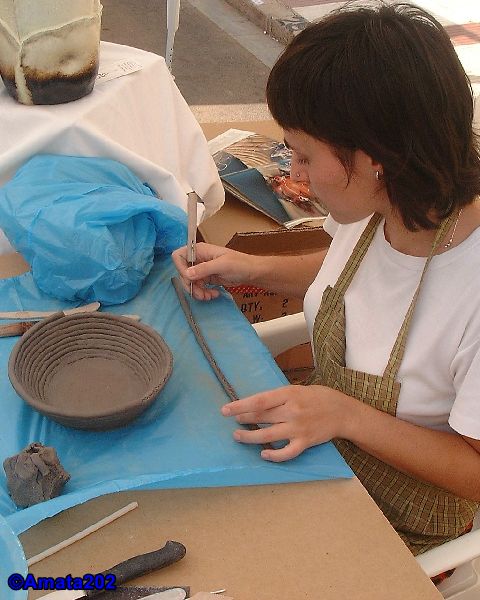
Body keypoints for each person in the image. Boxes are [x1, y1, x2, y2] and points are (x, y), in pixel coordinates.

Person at [173, 1, 480, 556]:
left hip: (403, 520)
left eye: (304, 155)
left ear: (377, 157)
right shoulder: (378, 204)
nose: (295, 174)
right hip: (325, 449)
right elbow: (356, 276)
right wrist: (252, 269)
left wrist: (346, 415)